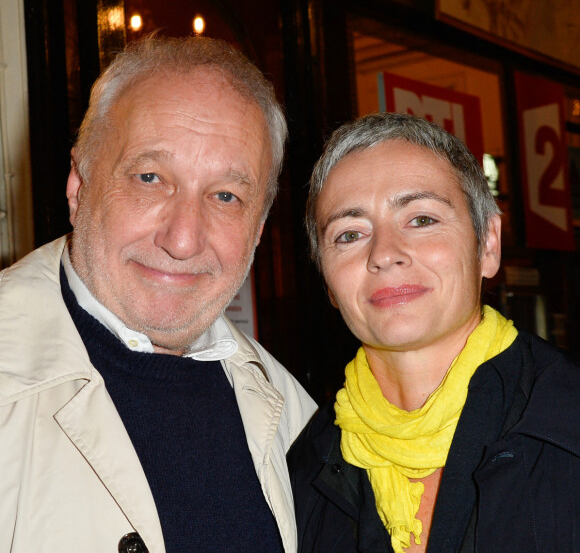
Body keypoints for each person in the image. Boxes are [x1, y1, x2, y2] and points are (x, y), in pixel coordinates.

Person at [0, 36, 316, 553]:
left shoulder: (299, 421)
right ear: (79, 186)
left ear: (259, 226)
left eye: (226, 196)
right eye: (150, 177)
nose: (183, 238)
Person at [288, 112, 580, 553]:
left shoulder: (566, 421)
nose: (385, 254)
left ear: (488, 245)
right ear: (328, 283)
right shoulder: (296, 470)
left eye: (421, 219)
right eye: (350, 234)